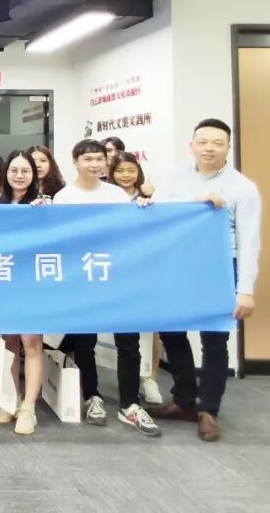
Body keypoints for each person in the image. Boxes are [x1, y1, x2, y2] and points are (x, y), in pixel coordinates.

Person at [149, 118, 262, 442]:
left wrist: (245, 290)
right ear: (192, 145)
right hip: (179, 264)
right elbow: (160, 209)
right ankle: (184, 400)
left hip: (221, 267)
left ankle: (208, 409)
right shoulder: (176, 176)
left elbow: (250, 242)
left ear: (228, 147)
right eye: (203, 142)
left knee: (214, 339)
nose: (209, 148)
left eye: (217, 143)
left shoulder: (243, 188)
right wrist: (195, 201)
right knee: (171, 331)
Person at [52, 140, 160, 438]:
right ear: (75, 162)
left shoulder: (116, 194)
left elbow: (127, 232)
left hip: (116, 275)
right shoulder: (64, 197)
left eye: (99, 159)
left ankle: (130, 404)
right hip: (82, 276)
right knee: (85, 341)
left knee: (128, 341)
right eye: (88, 159)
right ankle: (92, 397)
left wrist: (143, 209)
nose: (95, 164)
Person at [0, 149, 45, 435]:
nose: (19, 175)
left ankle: (29, 408)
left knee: (32, 342)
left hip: (31, 283)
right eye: (14, 170)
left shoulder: (42, 205)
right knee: (9, 342)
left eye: (25, 170)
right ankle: (10, 400)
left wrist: (44, 214)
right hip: (4, 281)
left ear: (34, 175)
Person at [109, 151, 164, 405]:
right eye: (120, 171)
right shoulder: (104, 196)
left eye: (131, 170)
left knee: (147, 327)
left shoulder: (148, 197)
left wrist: (151, 200)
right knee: (122, 335)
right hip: (110, 270)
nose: (126, 175)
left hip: (142, 270)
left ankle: (148, 380)